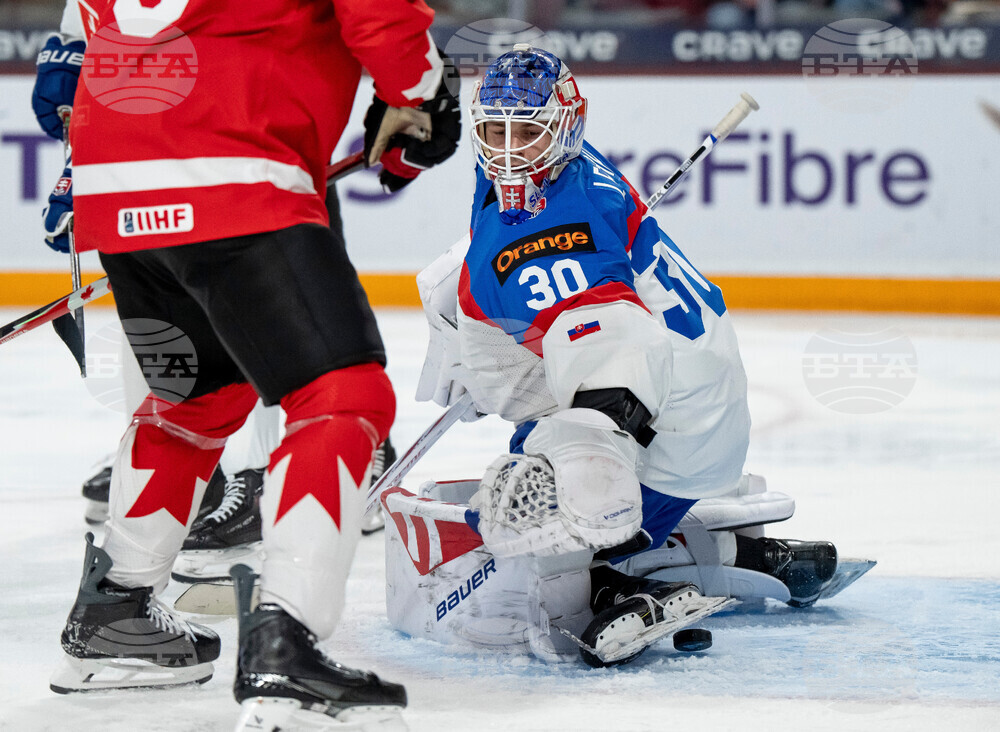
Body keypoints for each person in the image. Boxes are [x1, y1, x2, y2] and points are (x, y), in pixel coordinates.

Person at [41, 2, 460, 730]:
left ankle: (116, 612)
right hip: (234, 159)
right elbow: (380, 17)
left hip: (114, 175)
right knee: (341, 393)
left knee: (194, 403)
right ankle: (284, 643)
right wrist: (422, 94)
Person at [392, 44, 850, 667]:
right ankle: (688, 542)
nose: (504, 148)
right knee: (469, 305)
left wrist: (573, 445)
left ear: (563, 125)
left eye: (523, 132)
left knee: (540, 488)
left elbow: (609, 343)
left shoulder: (562, 237)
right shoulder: (553, 168)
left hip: (675, 423)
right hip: (694, 390)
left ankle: (603, 581)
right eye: (492, 130)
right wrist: (471, 323)